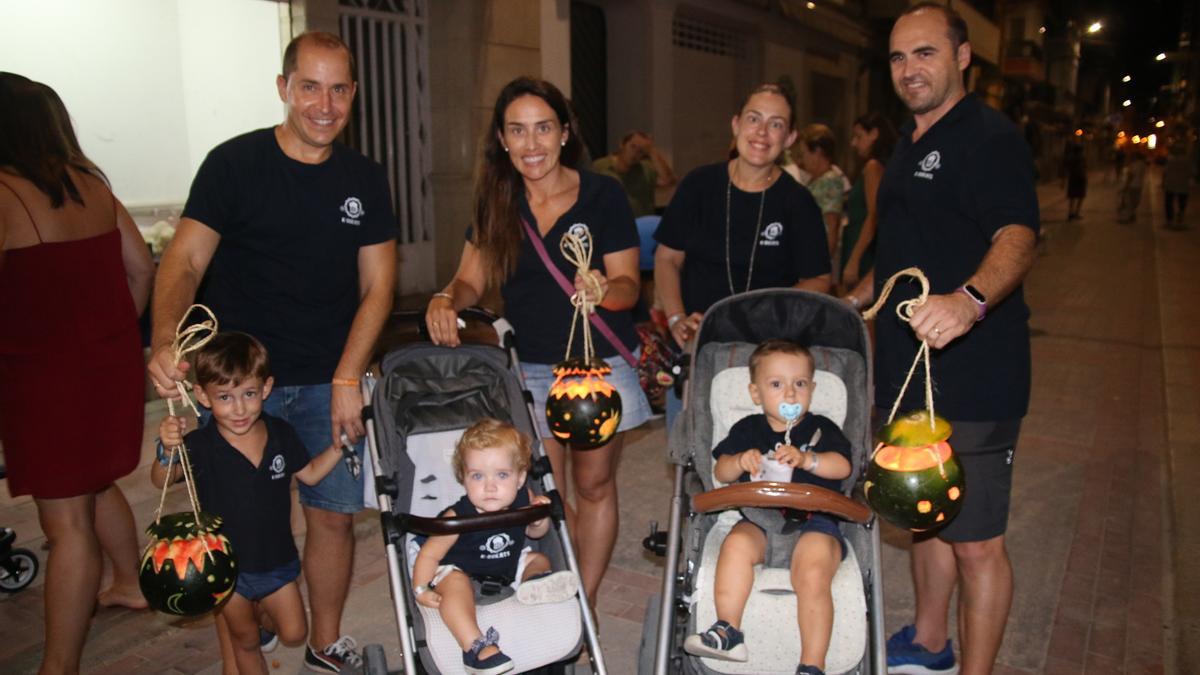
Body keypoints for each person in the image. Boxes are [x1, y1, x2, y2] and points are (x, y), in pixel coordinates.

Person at [147, 32, 397, 672]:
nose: (324, 103)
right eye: (309, 86)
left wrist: (349, 376)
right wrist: (165, 337)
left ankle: (324, 641)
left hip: (324, 376)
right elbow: (185, 259)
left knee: (334, 516)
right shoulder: (233, 164)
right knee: (236, 518)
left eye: (338, 88)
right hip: (235, 379)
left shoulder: (364, 180)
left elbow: (379, 286)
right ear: (284, 88)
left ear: (354, 95)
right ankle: (244, 616)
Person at [843, 4, 1039, 674]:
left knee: (977, 540)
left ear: (962, 58)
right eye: (898, 58)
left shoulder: (989, 138)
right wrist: (859, 298)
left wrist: (970, 300)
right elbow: (903, 245)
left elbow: (1017, 237)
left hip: (976, 371)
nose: (909, 69)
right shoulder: (909, 141)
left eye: (924, 53)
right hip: (908, 368)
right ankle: (930, 644)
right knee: (924, 511)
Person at [425, 77, 652, 603]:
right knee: (544, 491)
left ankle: (585, 601)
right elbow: (470, 280)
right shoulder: (497, 201)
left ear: (565, 133)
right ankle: (559, 578)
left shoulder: (602, 194)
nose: (532, 144)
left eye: (543, 128)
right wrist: (445, 299)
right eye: (518, 130)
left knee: (593, 485)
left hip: (597, 367)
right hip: (529, 368)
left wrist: (600, 288)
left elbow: (627, 284)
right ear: (502, 139)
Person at [0, 72, 155, 674]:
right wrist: (110, 335)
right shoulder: (93, 184)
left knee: (65, 526)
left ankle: (57, 666)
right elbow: (141, 271)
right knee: (93, 481)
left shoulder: (4, 193)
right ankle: (131, 580)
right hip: (107, 363)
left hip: (44, 376)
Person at [154, 332, 349, 675]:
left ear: (266, 388)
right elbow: (160, 480)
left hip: (277, 563)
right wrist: (167, 449)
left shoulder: (281, 433)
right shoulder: (200, 444)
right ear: (202, 396)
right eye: (225, 397)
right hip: (225, 570)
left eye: (248, 394)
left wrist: (340, 444)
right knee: (244, 644)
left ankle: (263, 622)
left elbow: (311, 475)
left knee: (294, 632)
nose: (239, 408)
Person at [653, 81, 831, 427]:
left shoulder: (798, 202)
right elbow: (667, 258)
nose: (762, 132)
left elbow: (820, 279)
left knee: (759, 453)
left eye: (776, 124)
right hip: (699, 341)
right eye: (754, 119)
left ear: (790, 139)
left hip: (769, 353)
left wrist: (764, 310)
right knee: (693, 446)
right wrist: (675, 318)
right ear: (736, 125)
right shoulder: (698, 186)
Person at [682, 340, 851, 675]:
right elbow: (720, 471)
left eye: (799, 384)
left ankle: (812, 665)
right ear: (756, 393)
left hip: (815, 521)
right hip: (759, 519)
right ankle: (729, 630)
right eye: (776, 384)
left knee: (814, 573)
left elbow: (843, 468)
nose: (790, 394)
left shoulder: (820, 429)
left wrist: (809, 459)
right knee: (736, 545)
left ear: (812, 389)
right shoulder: (748, 430)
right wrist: (740, 461)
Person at [412, 418, 579, 675]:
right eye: (477, 476)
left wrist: (538, 518)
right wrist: (421, 588)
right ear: (463, 479)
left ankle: (534, 583)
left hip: (506, 568)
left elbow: (536, 532)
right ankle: (476, 649)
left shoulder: (523, 499)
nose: (490, 486)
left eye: (502, 475)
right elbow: (429, 553)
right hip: (460, 570)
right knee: (454, 584)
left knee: (536, 558)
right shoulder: (457, 516)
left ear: (520, 478)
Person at [840, 113, 896, 292]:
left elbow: (874, 214)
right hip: (862, 244)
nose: (853, 143)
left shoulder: (873, 167)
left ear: (874, 134)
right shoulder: (877, 166)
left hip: (864, 249)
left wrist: (854, 260)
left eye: (858, 136)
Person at [592, 130, 677, 217]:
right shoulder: (600, 166)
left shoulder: (645, 169)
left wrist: (652, 151)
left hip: (641, 224)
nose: (635, 153)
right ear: (622, 144)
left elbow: (668, 180)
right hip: (611, 223)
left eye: (641, 151)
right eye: (633, 146)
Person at [795, 123, 847, 261]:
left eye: (804, 153)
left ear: (817, 152)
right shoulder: (816, 180)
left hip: (816, 256)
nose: (802, 159)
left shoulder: (830, 180)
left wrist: (824, 265)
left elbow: (832, 225)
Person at [1163, 136, 1193, 230]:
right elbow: (1191, 172)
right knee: (1181, 202)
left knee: (1169, 202)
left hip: (1171, 184)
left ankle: (1170, 220)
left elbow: (1166, 171)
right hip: (1182, 185)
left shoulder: (1171, 159)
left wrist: (1163, 181)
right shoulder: (1187, 160)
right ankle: (1180, 216)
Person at [1117, 147, 1148, 224]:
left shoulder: (1133, 165)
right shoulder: (1143, 164)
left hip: (1132, 186)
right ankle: (1132, 216)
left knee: (1129, 202)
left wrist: (1125, 187)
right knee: (1135, 202)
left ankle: (1126, 218)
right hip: (1139, 186)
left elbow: (1130, 176)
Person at [1063, 134, 1087, 220]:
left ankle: (1071, 213)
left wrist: (1064, 180)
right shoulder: (1081, 158)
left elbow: (1066, 168)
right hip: (1080, 178)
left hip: (1072, 178)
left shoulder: (1071, 158)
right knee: (1080, 196)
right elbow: (1083, 168)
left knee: (1072, 197)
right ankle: (1076, 212)